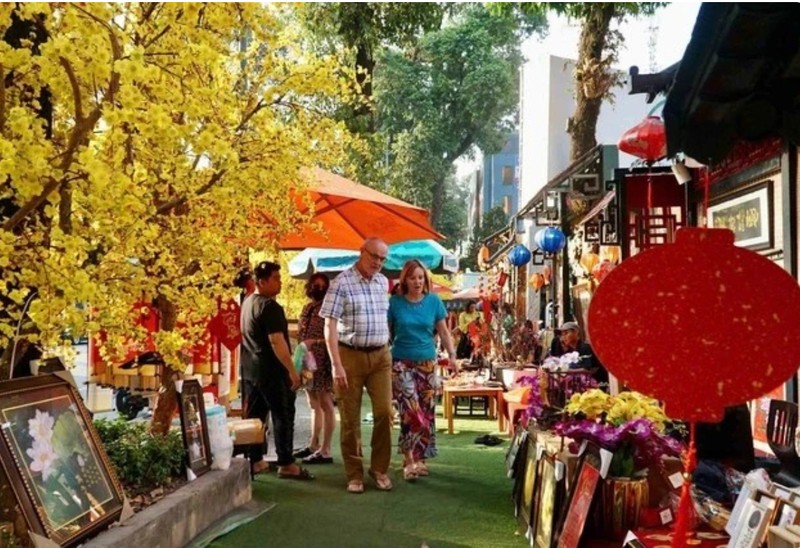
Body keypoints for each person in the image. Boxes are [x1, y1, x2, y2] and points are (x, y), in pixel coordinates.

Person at [319, 237, 393, 494]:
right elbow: (329, 326)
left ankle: (380, 468)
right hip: (349, 355)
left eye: (383, 259)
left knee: (385, 412)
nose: (378, 263)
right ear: (361, 252)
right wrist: (335, 364)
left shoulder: (383, 282)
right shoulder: (341, 283)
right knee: (350, 418)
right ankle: (354, 473)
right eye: (374, 256)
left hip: (381, 356)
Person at [240, 261, 314, 480]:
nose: (280, 282)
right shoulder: (270, 307)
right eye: (276, 278)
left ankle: (256, 460)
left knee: (255, 417)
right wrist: (291, 370)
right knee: (283, 415)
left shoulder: (248, 302)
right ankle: (286, 462)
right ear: (261, 282)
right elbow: (277, 341)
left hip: (251, 370)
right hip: (272, 370)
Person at [388, 259, 457, 481]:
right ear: (404, 279)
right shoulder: (395, 303)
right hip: (401, 362)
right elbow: (387, 333)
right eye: (412, 277)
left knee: (426, 411)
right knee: (410, 411)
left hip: (427, 362)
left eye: (420, 277)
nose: (417, 282)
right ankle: (408, 460)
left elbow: (444, 332)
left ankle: (420, 458)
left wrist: (453, 356)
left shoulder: (434, 302)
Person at [293, 273, 335, 465]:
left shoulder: (329, 308)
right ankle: (313, 444)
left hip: (323, 360)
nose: (317, 288)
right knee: (312, 402)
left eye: (321, 286)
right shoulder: (308, 307)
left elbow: (333, 335)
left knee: (326, 403)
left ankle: (326, 449)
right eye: (315, 285)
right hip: (307, 359)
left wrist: (315, 341)